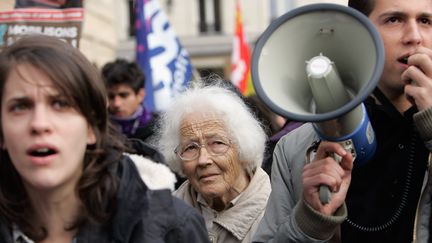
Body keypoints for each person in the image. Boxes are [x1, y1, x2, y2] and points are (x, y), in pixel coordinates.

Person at [0, 35, 210, 243]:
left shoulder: (174, 231)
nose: (39, 124)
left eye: (61, 104)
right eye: (20, 107)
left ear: (92, 127)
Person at [253, 0, 432, 242]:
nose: (414, 36)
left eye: (425, 21)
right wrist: (309, 222)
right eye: (394, 20)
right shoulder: (295, 149)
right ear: (360, 32)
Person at [156, 80, 271, 243]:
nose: (203, 160)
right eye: (190, 148)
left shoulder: (279, 213)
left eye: (217, 143)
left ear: (243, 147)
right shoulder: (160, 215)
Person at [101, 58, 158, 142]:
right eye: (111, 96)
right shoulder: (97, 127)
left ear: (140, 95)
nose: (117, 104)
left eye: (124, 95)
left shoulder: (158, 129)